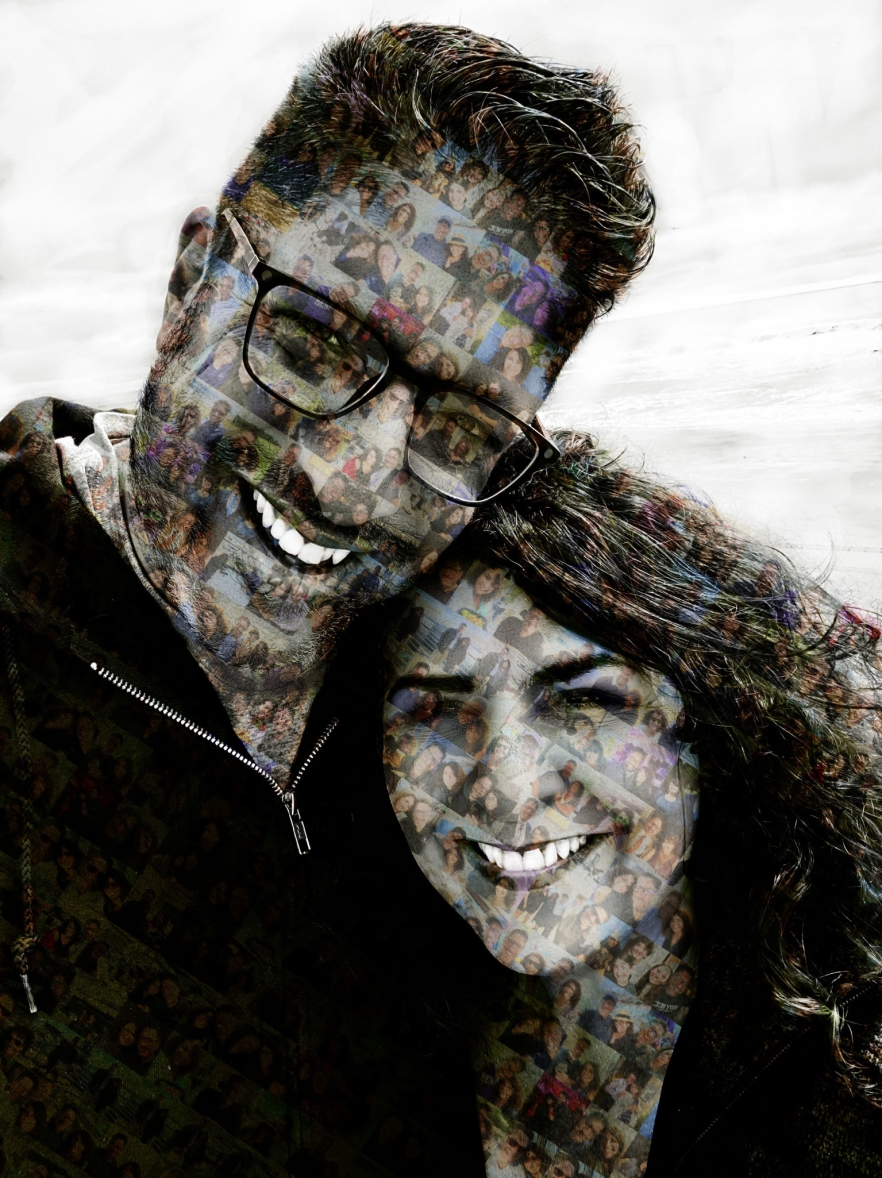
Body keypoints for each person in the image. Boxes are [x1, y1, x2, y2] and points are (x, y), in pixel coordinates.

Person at [373, 426, 882, 1174]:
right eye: (435, 709)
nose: (510, 789)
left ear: (714, 725)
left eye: (583, 699)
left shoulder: (858, 1080)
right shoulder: (327, 1027)